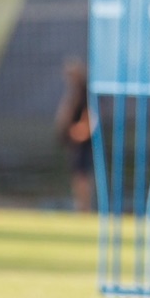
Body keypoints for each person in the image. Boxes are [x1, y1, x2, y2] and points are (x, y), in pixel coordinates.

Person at [54, 58, 94, 212]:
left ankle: (85, 207)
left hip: (84, 142)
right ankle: (80, 205)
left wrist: (80, 132)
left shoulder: (86, 94)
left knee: (82, 175)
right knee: (77, 175)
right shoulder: (74, 93)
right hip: (74, 142)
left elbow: (90, 118)